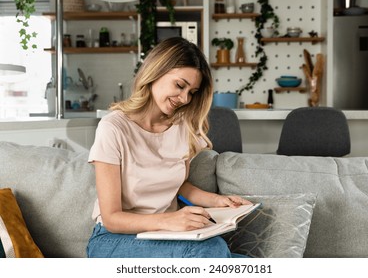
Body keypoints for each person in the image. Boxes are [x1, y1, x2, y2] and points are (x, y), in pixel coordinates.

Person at [86, 37, 251, 258]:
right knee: (210, 251)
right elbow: (112, 218)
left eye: (192, 92)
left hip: (165, 236)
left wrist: (218, 201)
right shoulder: (113, 128)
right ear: (155, 72)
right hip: (114, 239)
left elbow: (177, 184)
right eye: (180, 85)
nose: (184, 98)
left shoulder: (182, 127)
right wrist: (170, 220)